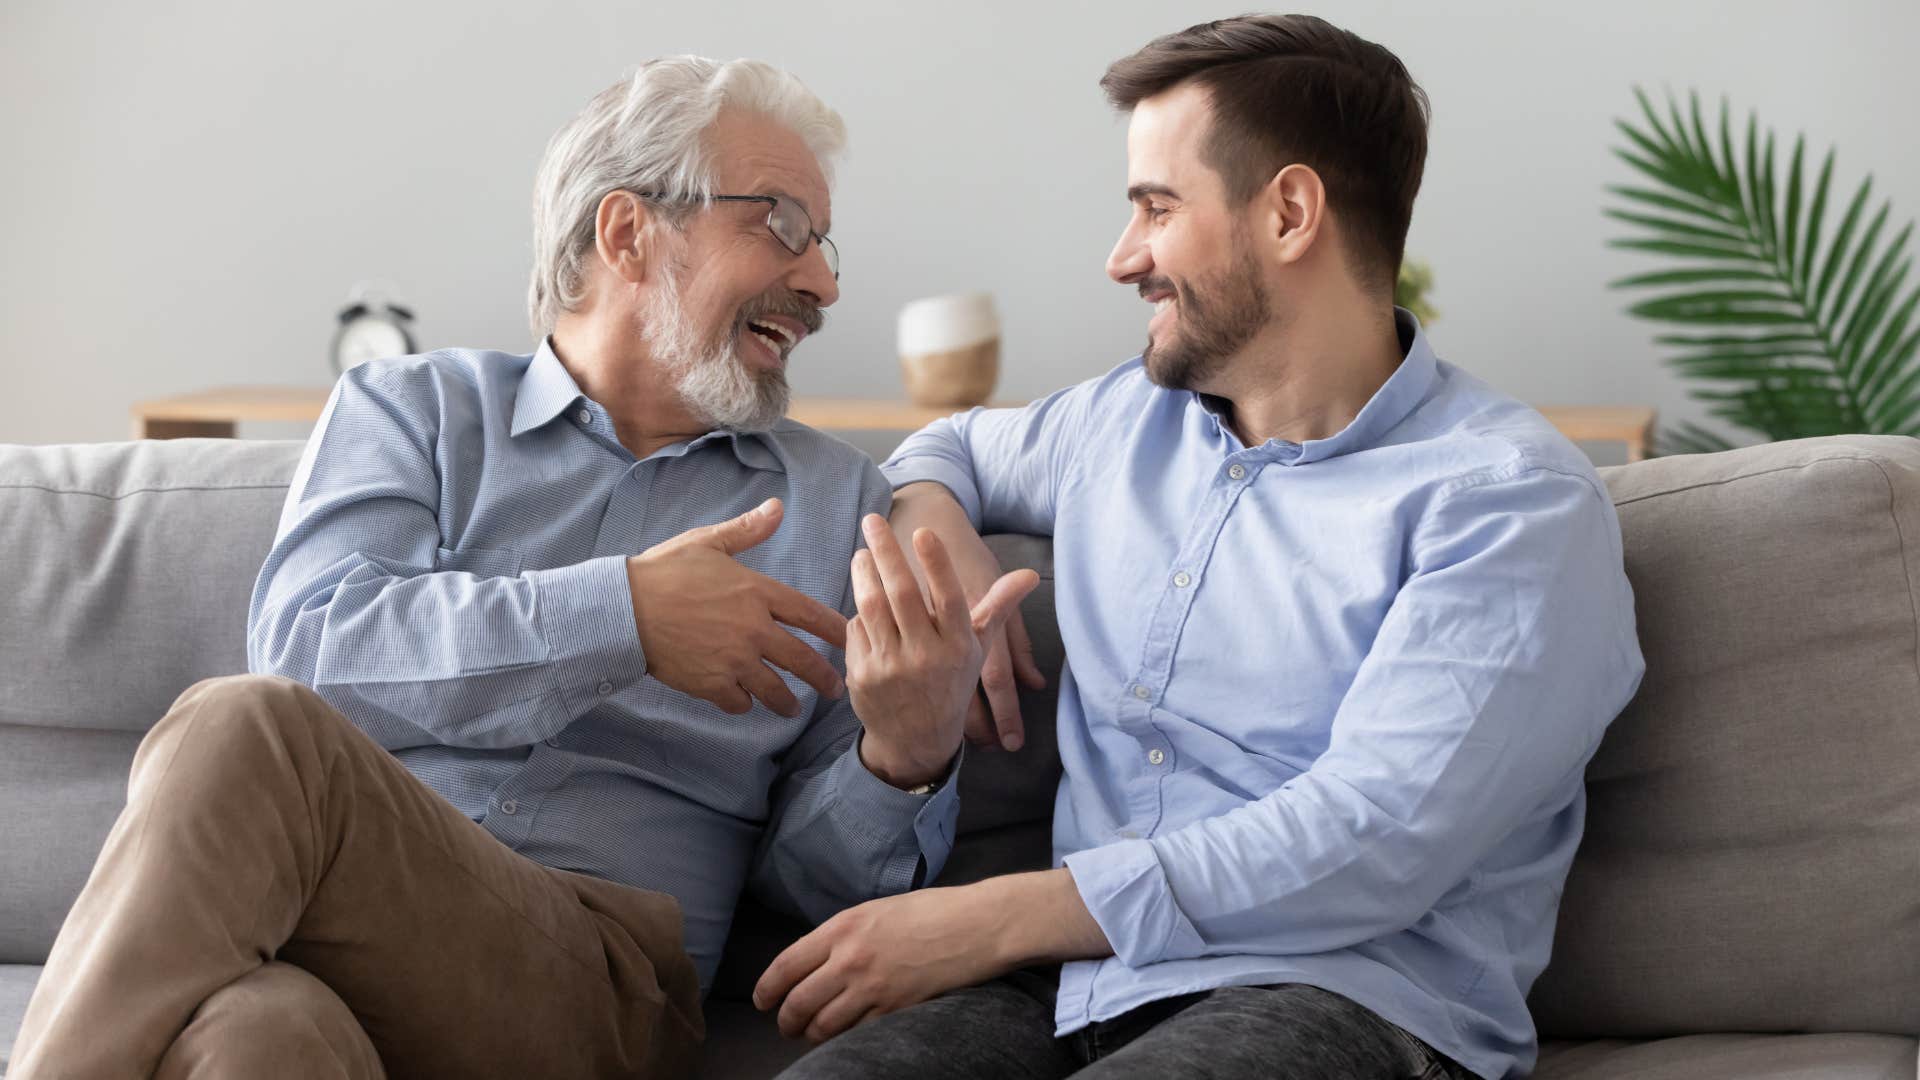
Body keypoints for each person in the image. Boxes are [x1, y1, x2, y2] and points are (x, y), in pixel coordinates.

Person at [9, 56, 1029, 1079]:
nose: (824, 283)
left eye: (824, 243)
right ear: (628, 233)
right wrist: (622, 616)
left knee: (242, 728)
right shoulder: (413, 413)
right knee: (256, 1034)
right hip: (342, 929)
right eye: (783, 226)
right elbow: (311, 646)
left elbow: (819, 906)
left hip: (603, 981)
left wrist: (902, 757)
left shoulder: (834, 503)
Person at [757, 15, 1644, 1080]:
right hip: (1074, 989)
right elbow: (942, 447)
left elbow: (1374, 836)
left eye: (1155, 209)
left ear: (1290, 213)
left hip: (1348, 996)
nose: (1122, 256)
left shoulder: (1508, 503)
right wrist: (941, 533)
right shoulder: (1119, 423)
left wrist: (998, 918)